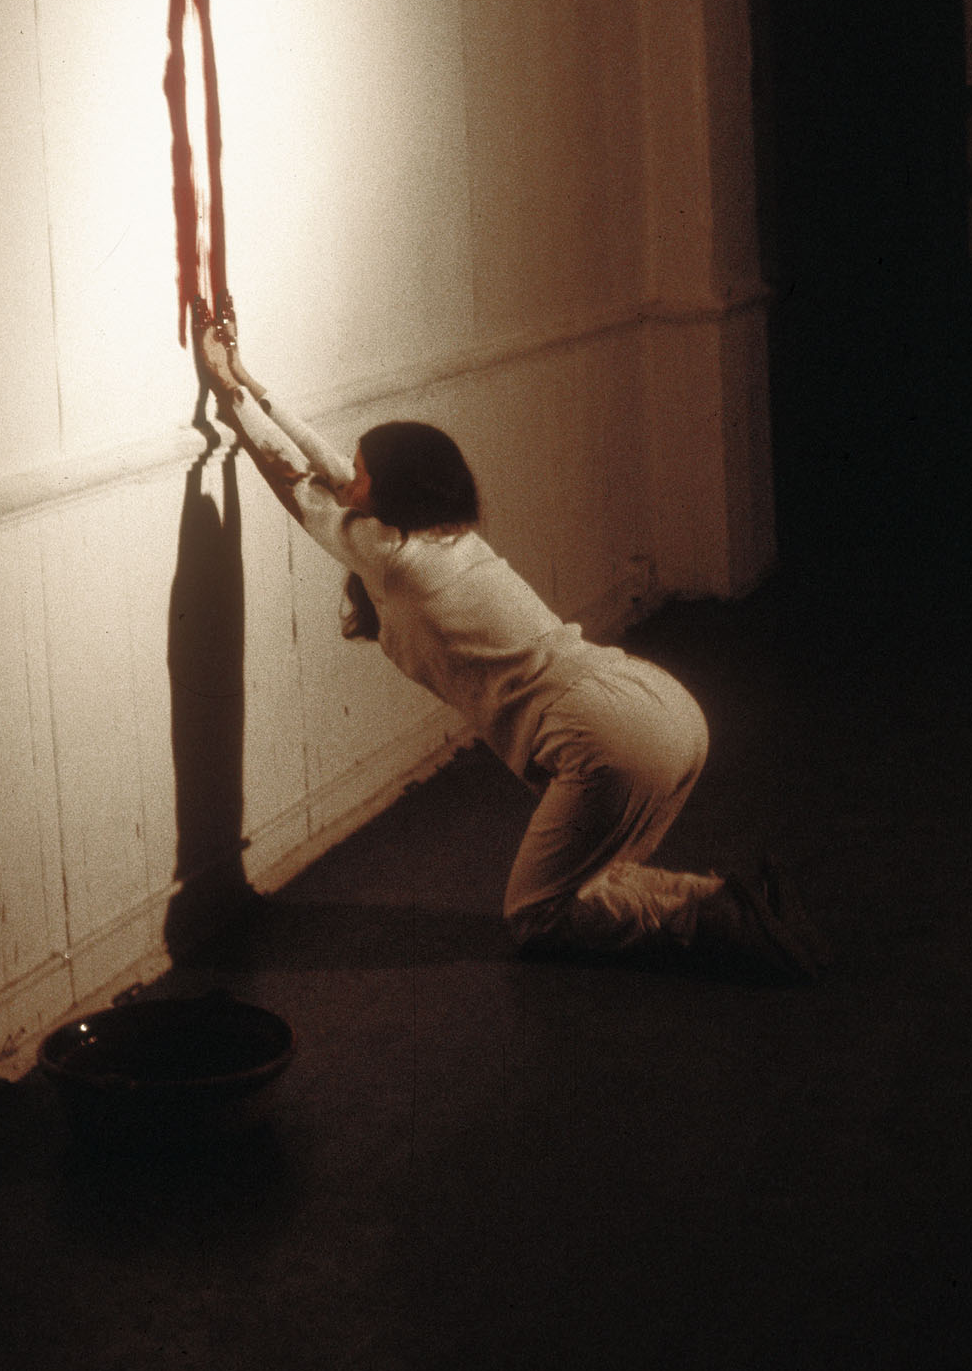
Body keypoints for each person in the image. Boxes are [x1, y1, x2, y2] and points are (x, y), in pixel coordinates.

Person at [196, 310, 828, 980]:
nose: (348, 482)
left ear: (388, 490)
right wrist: (249, 384)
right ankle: (731, 899)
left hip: (609, 733)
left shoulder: (393, 557)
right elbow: (328, 466)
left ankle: (710, 920)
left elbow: (296, 478)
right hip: (662, 707)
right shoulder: (443, 536)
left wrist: (231, 400)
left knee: (537, 916)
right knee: (600, 876)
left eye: (361, 474)